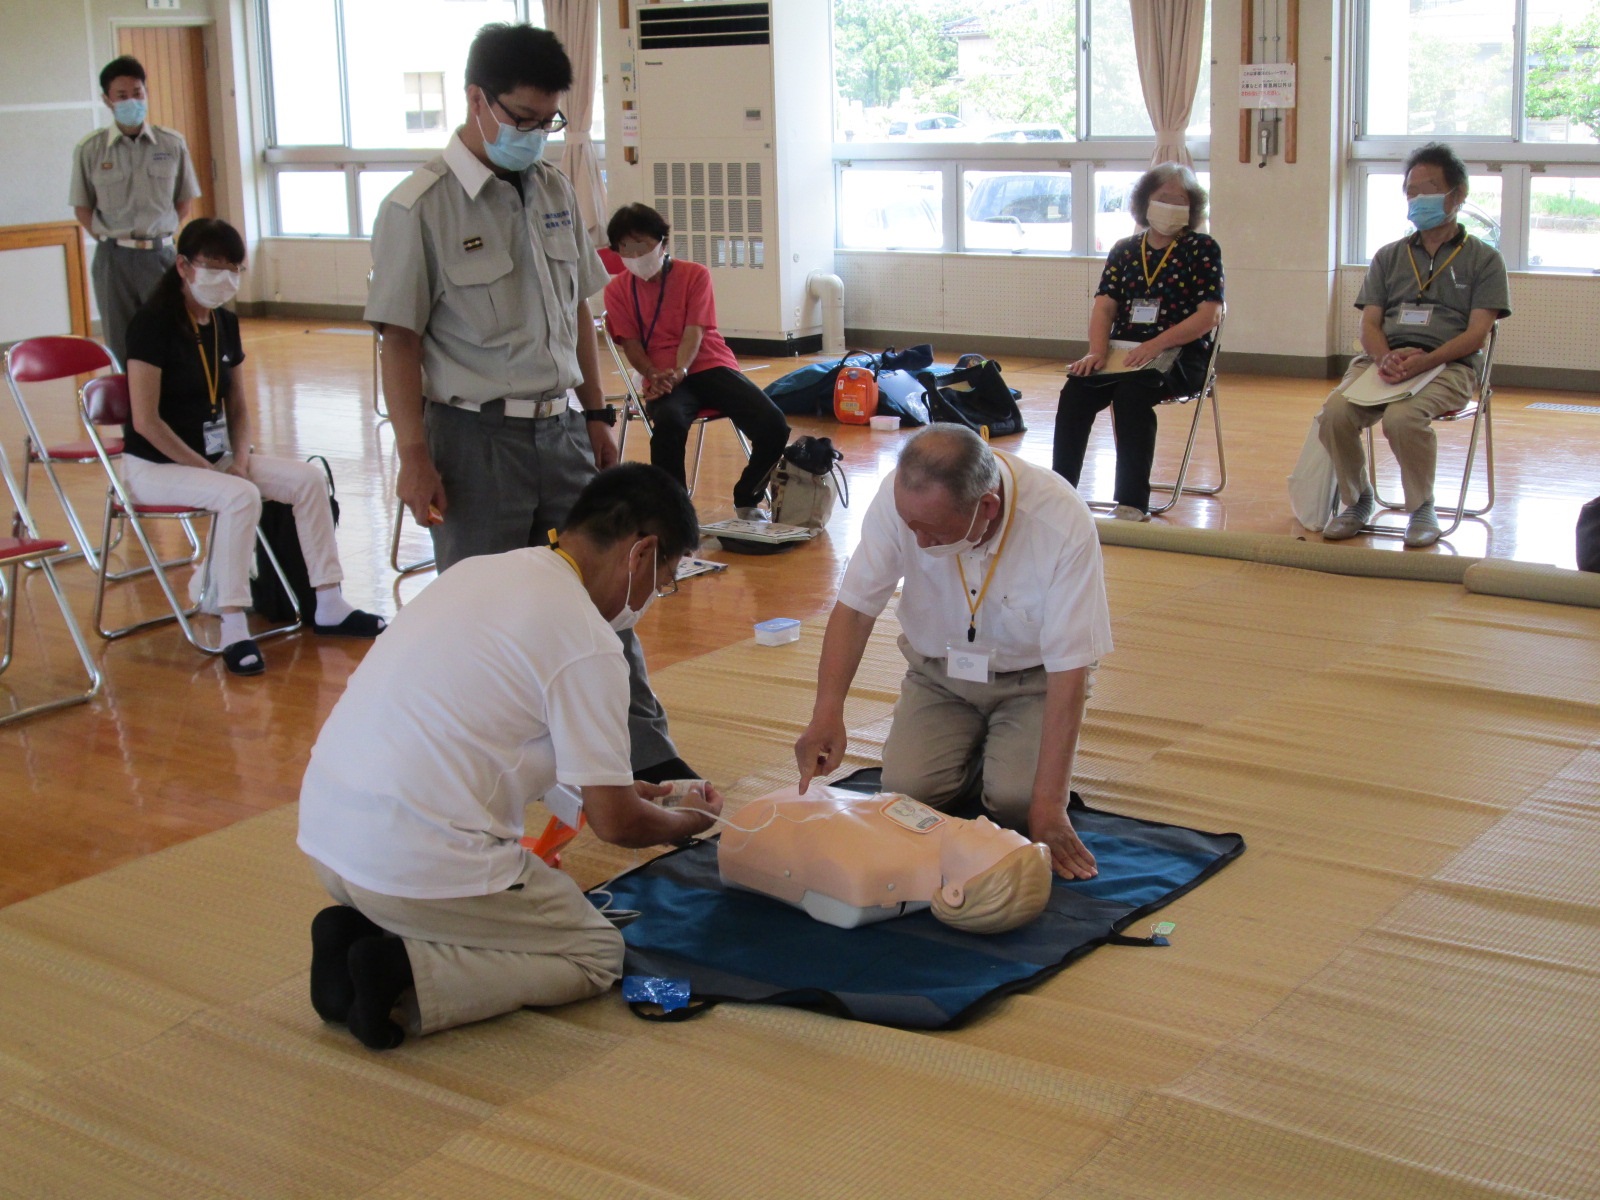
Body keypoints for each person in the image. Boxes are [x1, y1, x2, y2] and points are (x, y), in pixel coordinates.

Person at [297, 464, 723, 1050]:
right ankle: (406, 974)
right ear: (642, 552)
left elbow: (506, 735)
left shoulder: (481, 571)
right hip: (411, 869)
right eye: (666, 577)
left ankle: (357, 935)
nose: (655, 597)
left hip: (328, 842)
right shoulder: (588, 640)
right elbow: (616, 824)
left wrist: (626, 789)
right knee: (595, 951)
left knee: (503, 904)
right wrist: (684, 825)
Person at [365, 22, 691, 781]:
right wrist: (414, 458)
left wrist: (597, 411)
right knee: (483, 620)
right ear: (476, 101)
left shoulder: (548, 187)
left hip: (563, 434)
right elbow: (400, 344)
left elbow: (578, 310)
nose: (533, 135)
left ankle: (645, 761)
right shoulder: (417, 208)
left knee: (607, 602)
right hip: (473, 440)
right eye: (519, 119)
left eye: (548, 121)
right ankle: (477, 775)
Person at [794, 425, 1112, 882]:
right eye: (912, 528)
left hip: (1035, 683)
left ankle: (1004, 756)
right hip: (939, 676)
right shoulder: (900, 501)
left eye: (934, 533)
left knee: (1019, 804)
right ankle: (980, 750)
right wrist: (826, 713)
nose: (920, 543)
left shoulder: (1060, 521)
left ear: (987, 507)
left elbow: (1069, 668)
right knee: (908, 792)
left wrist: (1050, 807)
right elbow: (856, 610)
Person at [121, 218, 385, 676]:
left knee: (308, 480)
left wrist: (239, 458)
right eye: (214, 267)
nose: (226, 278)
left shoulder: (223, 321)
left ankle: (328, 601)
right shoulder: (152, 324)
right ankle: (233, 624)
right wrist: (209, 468)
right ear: (183, 266)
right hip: (155, 466)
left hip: (218, 462)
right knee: (240, 496)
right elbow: (146, 421)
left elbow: (237, 405)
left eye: (235, 269)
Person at [1318, 143, 1511, 548]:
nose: (1418, 199)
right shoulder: (1389, 256)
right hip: (1386, 361)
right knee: (1334, 412)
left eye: (1429, 189)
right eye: (1411, 191)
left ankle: (1421, 507)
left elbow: (1477, 334)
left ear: (1457, 195)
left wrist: (1426, 361)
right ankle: (1357, 500)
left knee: (1402, 420)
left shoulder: (1484, 259)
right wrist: (1384, 356)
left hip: (1449, 364)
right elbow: (1369, 322)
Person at [1051, 163, 1224, 521]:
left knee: (1132, 395)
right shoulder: (1125, 249)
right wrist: (1097, 351)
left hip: (1182, 354)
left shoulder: (1202, 248)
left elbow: (1209, 315)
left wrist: (1156, 344)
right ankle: (1058, 491)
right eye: (1163, 198)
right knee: (1076, 391)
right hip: (1123, 352)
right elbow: (1105, 306)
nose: (1172, 206)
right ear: (1145, 203)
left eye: (1180, 200)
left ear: (1192, 207)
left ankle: (1132, 500)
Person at [602, 203, 790, 518]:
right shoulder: (618, 290)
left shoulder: (694, 275)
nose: (634, 255)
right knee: (669, 426)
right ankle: (675, 516)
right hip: (660, 374)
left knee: (773, 425)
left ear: (662, 242)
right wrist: (652, 373)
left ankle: (748, 496)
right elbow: (631, 344)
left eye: (642, 245)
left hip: (708, 363)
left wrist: (681, 370)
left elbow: (694, 332)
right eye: (625, 248)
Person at [718, 783, 1052, 933]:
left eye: (989, 836)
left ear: (954, 892)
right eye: (997, 827)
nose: (982, 821)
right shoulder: (938, 837)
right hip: (792, 806)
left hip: (755, 823)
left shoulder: (865, 872)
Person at [70, 55, 202, 367]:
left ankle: (172, 411)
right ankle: (131, 413)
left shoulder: (171, 144)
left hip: (161, 255)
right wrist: (112, 238)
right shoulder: (90, 149)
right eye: (122, 96)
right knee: (121, 343)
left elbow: (184, 201)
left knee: (171, 335)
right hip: (113, 259)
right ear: (107, 100)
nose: (132, 101)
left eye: (138, 93)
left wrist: (158, 232)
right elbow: (82, 206)